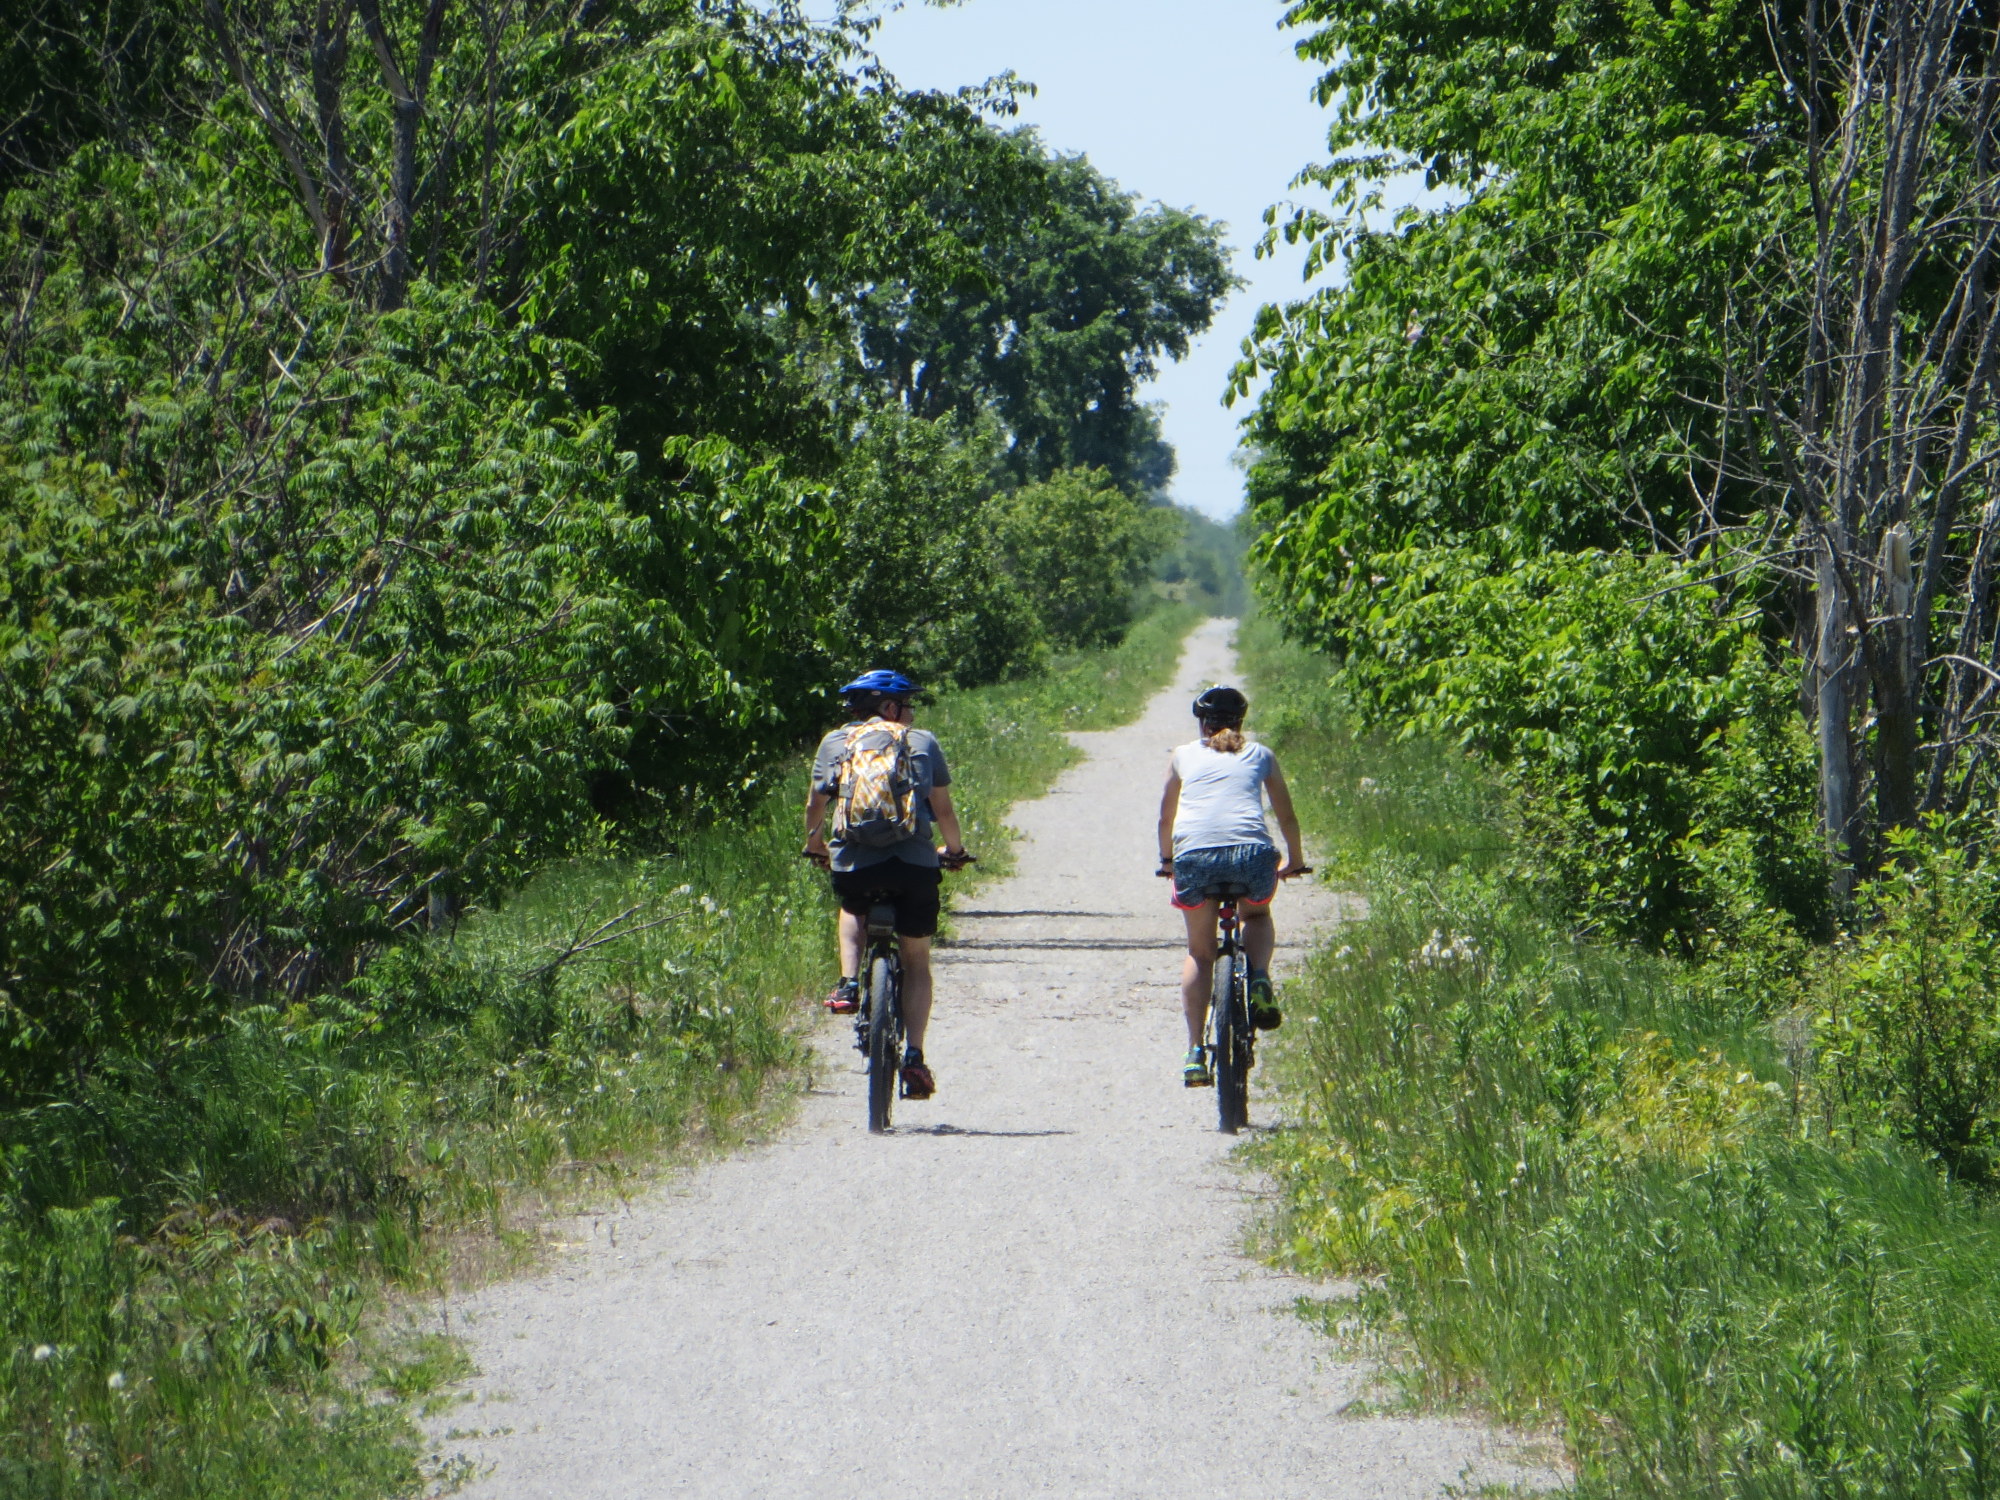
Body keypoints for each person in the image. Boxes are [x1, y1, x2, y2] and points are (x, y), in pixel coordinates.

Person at [803, 670, 969, 1101]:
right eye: (908, 705)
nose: (912, 713)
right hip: (913, 866)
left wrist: (816, 846)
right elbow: (944, 811)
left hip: (855, 865)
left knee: (852, 907)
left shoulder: (834, 743)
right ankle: (914, 1055)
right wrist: (954, 851)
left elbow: (815, 804)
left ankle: (848, 983)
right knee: (916, 960)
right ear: (891, 708)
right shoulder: (922, 743)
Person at [1156, 684, 1307, 1087]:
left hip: (1195, 860)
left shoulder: (1183, 755)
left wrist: (1168, 862)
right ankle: (1258, 975)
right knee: (1255, 913)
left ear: (1201, 722)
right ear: (1242, 721)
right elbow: (1286, 816)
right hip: (1252, 856)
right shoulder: (1261, 754)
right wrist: (1296, 859)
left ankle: (1193, 1052)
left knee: (1200, 953)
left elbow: (1165, 822)